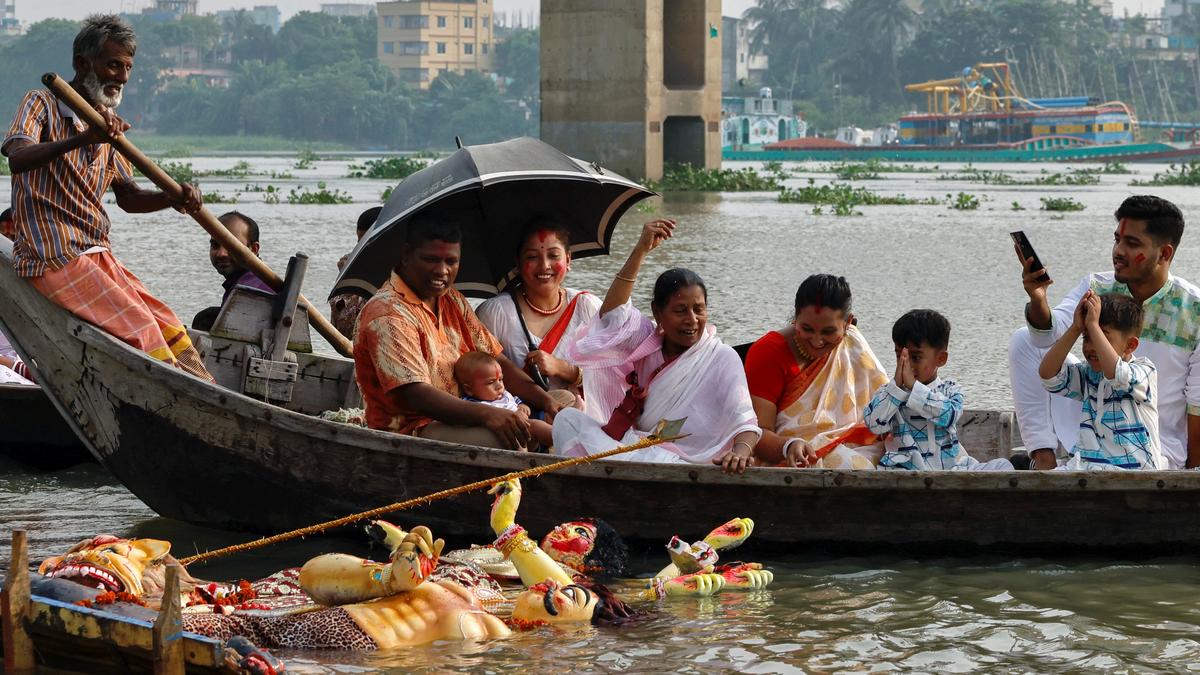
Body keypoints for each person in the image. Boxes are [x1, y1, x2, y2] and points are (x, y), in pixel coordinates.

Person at [2, 15, 210, 380]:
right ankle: (183, 394)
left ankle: (207, 389)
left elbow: (128, 197)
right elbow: (18, 157)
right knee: (141, 328)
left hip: (96, 252)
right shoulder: (42, 103)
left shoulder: (109, 122)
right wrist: (84, 139)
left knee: (167, 324)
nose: (122, 76)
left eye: (127, 67)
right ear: (83, 64)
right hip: (52, 255)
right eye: (113, 64)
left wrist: (172, 197)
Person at [550, 219, 762, 472]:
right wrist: (640, 250)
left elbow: (745, 420)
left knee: (652, 460)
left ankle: (605, 474)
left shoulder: (721, 356)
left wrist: (740, 452)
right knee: (567, 420)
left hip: (684, 463)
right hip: (636, 449)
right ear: (657, 313)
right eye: (680, 310)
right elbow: (613, 314)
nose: (692, 320)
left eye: (699, 309)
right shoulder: (645, 342)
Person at [1009, 195, 1199, 469]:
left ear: (1165, 254)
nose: (1118, 251)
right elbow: (1046, 336)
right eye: (1117, 240)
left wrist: (1190, 482)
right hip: (1090, 428)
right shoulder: (1095, 286)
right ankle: (1043, 460)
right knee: (1024, 340)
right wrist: (1039, 299)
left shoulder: (1195, 309)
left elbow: (1197, 408)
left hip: (1155, 448)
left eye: (1131, 243)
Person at [353, 212, 568, 450]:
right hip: (417, 428)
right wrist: (488, 415)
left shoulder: (451, 298)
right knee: (512, 440)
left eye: (451, 262)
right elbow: (415, 394)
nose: (442, 271)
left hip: (472, 407)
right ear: (406, 255)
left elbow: (496, 357)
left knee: (564, 403)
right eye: (431, 260)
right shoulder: (387, 312)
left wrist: (546, 401)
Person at [741, 275, 889, 470]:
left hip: (858, 445)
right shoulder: (769, 352)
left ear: (848, 323)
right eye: (807, 329)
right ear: (795, 319)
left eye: (828, 332)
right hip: (788, 457)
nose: (817, 340)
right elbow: (756, 432)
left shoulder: (853, 344)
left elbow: (885, 409)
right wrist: (789, 446)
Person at [476, 218, 601, 416]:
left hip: (586, 417)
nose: (544, 266)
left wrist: (565, 369)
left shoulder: (587, 307)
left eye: (553, 256)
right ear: (518, 262)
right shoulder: (495, 313)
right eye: (532, 257)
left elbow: (614, 375)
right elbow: (478, 380)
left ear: (568, 260)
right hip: (521, 422)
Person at [865, 309, 1014, 471]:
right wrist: (896, 389)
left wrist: (914, 388)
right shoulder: (889, 393)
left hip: (951, 470)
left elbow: (948, 416)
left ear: (940, 359)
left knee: (1003, 466)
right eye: (899, 355)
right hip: (904, 471)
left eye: (915, 357)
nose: (905, 364)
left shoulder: (950, 390)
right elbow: (875, 425)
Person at [1038, 291, 1162, 471]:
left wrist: (1093, 326)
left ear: (1130, 345)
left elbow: (1117, 373)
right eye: (1086, 338)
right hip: (1088, 469)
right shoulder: (1089, 374)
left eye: (1100, 337)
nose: (1090, 347)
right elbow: (1048, 376)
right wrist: (1075, 328)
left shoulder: (1144, 372)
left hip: (1136, 474)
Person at [454, 350, 554, 449]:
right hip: (511, 435)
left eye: (500, 379)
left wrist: (522, 406)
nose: (499, 386)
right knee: (536, 427)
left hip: (527, 428)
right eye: (491, 382)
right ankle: (563, 439)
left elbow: (514, 400)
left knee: (550, 415)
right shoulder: (472, 404)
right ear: (469, 389)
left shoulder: (502, 394)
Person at [192, 211, 274, 331]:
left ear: (254, 249)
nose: (221, 254)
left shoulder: (252, 292)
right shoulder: (251, 283)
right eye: (215, 245)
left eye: (231, 246)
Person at [330, 206, 380, 340]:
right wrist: (347, 279)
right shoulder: (355, 264)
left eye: (368, 243)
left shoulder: (403, 269)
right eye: (360, 243)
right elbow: (342, 331)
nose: (362, 249)